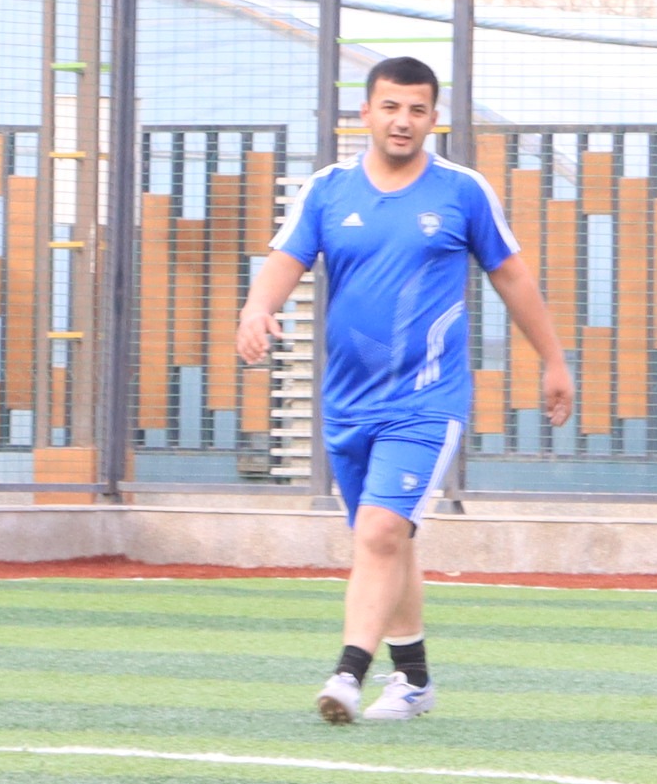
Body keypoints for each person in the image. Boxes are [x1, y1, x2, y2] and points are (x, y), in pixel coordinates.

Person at [231, 56, 575, 723]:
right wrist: (255, 311)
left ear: (433, 118)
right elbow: (285, 261)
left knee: (382, 529)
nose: (402, 121)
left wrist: (554, 361)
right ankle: (413, 680)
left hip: (427, 401)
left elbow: (512, 278)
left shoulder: (462, 191)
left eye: (417, 110)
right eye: (390, 107)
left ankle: (348, 675)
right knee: (387, 538)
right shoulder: (328, 190)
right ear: (366, 112)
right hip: (347, 402)